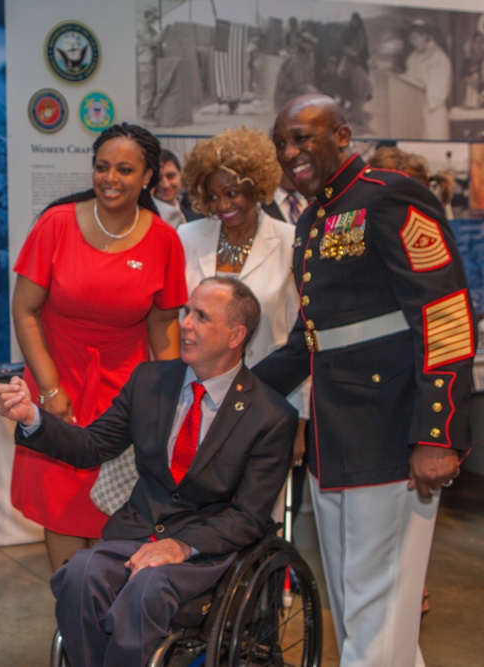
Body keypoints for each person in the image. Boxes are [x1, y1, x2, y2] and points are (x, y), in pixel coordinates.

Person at [0, 277, 297, 666]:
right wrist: (32, 418)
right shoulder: (151, 381)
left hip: (205, 554)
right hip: (135, 534)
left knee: (147, 588)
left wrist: (181, 546)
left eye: (202, 317)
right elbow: (92, 446)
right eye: (186, 311)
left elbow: (248, 517)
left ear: (236, 335)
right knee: (79, 574)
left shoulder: (270, 415)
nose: (186, 324)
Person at [256, 94, 474, 667]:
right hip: (337, 437)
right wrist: (240, 387)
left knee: (381, 607)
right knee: (361, 606)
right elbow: (312, 336)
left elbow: (445, 314)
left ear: (343, 135)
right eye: (282, 142)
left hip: (394, 434)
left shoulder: (390, 195)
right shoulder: (314, 217)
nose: (291, 152)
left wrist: (437, 433)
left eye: (304, 137)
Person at [11, 122, 187, 571]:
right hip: (57, 381)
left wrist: (167, 404)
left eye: (125, 170)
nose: (111, 178)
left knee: (119, 506)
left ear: (148, 176)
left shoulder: (165, 240)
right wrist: (49, 390)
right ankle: (71, 623)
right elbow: (25, 310)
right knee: (62, 505)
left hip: (124, 394)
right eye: (102, 167)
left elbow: (163, 328)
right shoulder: (56, 224)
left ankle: (107, 620)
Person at [178, 126, 308, 466]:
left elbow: (301, 338)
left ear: (256, 186)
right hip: (196, 400)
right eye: (212, 196)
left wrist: (300, 422)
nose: (222, 205)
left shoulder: (290, 240)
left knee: (258, 509)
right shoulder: (188, 237)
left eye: (232, 192)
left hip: (269, 401)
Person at [404, 19, 452, 140]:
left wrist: (421, 82)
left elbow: (440, 87)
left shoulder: (439, 57)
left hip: (433, 112)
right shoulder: (412, 58)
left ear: (425, 35)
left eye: (415, 38)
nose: (413, 42)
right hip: (416, 111)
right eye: (411, 39)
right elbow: (409, 79)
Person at [153, 149, 199, 227]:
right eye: (158, 178)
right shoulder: (141, 223)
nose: (165, 185)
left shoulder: (196, 219)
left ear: (181, 174)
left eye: (170, 176)